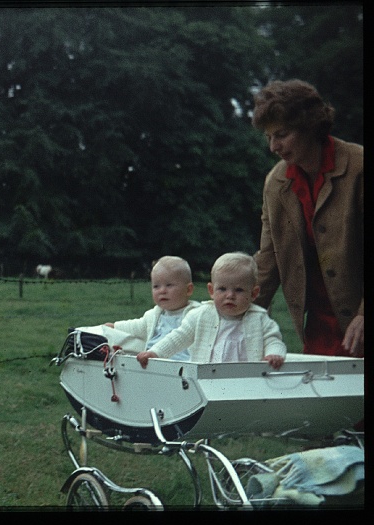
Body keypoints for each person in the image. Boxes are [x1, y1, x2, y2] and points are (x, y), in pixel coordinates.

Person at [251, 79, 363, 357]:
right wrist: (238, 316)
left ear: (309, 125)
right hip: (319, 328)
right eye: (268, 137)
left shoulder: (359, 166)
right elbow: (268, 259)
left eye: (282, 134)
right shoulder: (275, 183)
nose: (273, 146)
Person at [136, 252, 286, 369]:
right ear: (211, 291)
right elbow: (177, 338)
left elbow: (273, 340)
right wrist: (155, 352)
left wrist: (274, 354)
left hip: (246, 379)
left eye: (239, 290)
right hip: (206, 378)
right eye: (222, 289)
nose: (230, 295)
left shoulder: (260, 319)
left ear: (253, 293)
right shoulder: (201, 315)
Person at [105, 256, 201, 361]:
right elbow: (137, 327)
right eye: (156, 286)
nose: (162, 291)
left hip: (184, 365)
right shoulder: (154, 315)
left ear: (188, 290)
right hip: (152, 363)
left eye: (169, 285)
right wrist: (115, 326)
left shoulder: (197, 314)